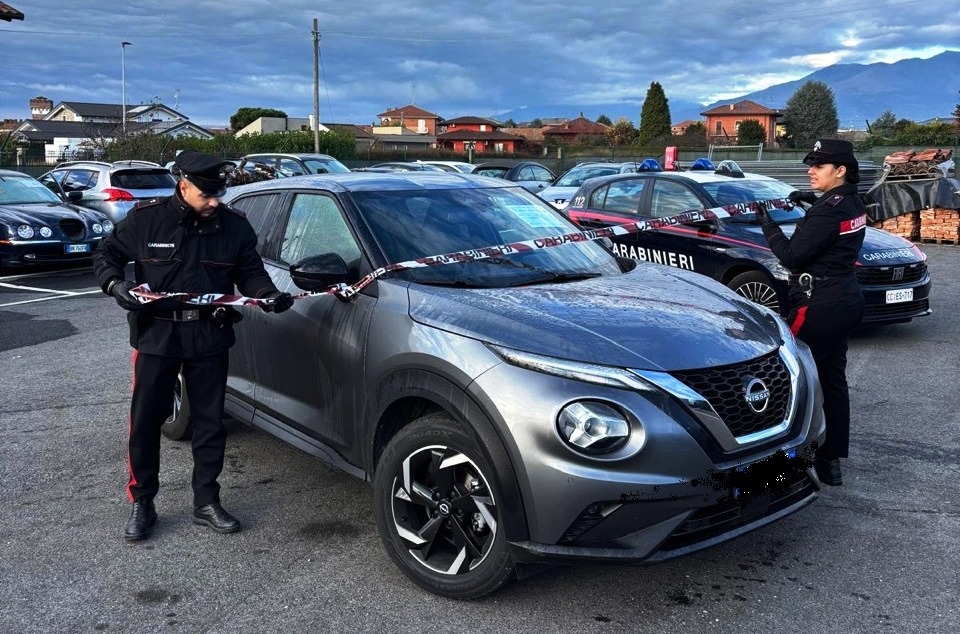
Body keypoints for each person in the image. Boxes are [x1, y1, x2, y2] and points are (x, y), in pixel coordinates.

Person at [93, 150, 294, 541]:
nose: (216, 202)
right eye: (207, 195)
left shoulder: (233, 227)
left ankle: (206, 501)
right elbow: (107, 254)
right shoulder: (147, 220)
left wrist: (268, 295)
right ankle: (143, 502)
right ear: (183, 185)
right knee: (147, 423)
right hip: (157, 335)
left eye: (219, 193)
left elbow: (250, 273)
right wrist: (116, 286)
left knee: (209, 422)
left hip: (209, 335)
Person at [755, 138, 867, 487]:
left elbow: (791, 256)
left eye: (819, 165)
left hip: (816, 304)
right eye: (811, 164)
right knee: (832, 380)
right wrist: (812, 206)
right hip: (846, 298)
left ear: (841, 171)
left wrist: (768, 225)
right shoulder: (850, 202)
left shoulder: (830, 209)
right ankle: (830, 461)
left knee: (790, 379)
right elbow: (830, 239)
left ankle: (785, 466)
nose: (811, 170)